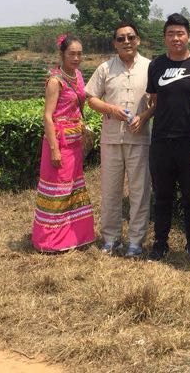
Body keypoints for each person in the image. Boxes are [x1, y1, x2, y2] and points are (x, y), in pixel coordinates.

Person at [85, 22, 154, 258]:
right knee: (110, 190)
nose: (127, 42)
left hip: (140, 138)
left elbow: (158, 101)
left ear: (138, 40)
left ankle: (136, 240)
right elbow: (91, 98)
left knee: (140, 191)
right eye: (121, 38)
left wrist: (144, 117)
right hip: (111, 139)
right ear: (114, 43)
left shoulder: (150, 67)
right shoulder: (105, 68)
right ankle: (111, 238)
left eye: (131, 37)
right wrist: (111, 109)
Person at [146, 13, 190, 261]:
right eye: (171, 34)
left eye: (180, 33)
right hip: (161, 141)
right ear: (164, 38)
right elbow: (154, 99)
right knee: (162, 195)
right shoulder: (156, 65)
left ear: (189, 36)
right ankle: (160, 243)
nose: (176, 38)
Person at [32, 34, 96, 252]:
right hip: (59, 143)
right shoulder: (55, 81)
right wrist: (54, 150)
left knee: (72, 188)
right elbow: (48, 117)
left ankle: (73, 236)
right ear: (62, 54)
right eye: (72, 54)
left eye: (79, 53)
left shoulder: (78, 75)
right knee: (57, 190)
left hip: (75, 141)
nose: (76, 57)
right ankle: (50, 241)